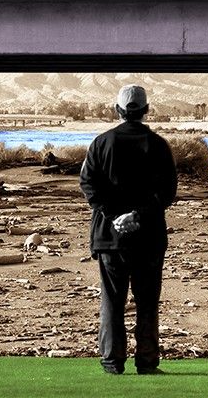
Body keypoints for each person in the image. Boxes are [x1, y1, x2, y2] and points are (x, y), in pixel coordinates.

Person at [79, 84, 177, 375]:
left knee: (112, 301)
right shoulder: (159, 145)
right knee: (147, 302)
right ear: (146, 110)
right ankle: (146, 362)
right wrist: (138, 215)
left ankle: (112, 362)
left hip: (110, 238)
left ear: (117, 110)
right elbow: (167, 192)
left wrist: (113, 216)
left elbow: (88, 185)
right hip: (148, 238)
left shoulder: (101, 143)